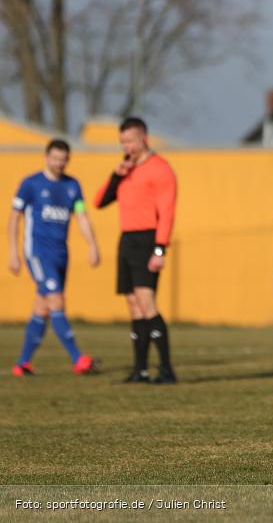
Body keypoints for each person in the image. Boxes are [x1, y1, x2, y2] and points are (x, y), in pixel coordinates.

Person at [94, 117, 178, 383]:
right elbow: (99, 202)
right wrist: (116, 175)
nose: (126, 146)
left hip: (147, 240)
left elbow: (167, 213)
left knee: (146, 302)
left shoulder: (160, 169)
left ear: (144, 138)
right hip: (127, 240)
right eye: (122, 142)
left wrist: (160, 249)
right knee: (133, 305)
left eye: (130, 140)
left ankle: (166, 370)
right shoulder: (126, 170)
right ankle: (140, 370)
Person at [7, 139, 100, 376]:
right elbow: (14, 217)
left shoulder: (72, 186)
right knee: (56, 300)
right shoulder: (31, 184)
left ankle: (22, 363)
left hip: (61, 254)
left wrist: (93, 245)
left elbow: (81, 216)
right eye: (55, 158)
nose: (59, 163)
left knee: (43, 307)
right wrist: (13, 252)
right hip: (38, 253)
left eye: (63, 159)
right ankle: (78, 358)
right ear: (46, 157)